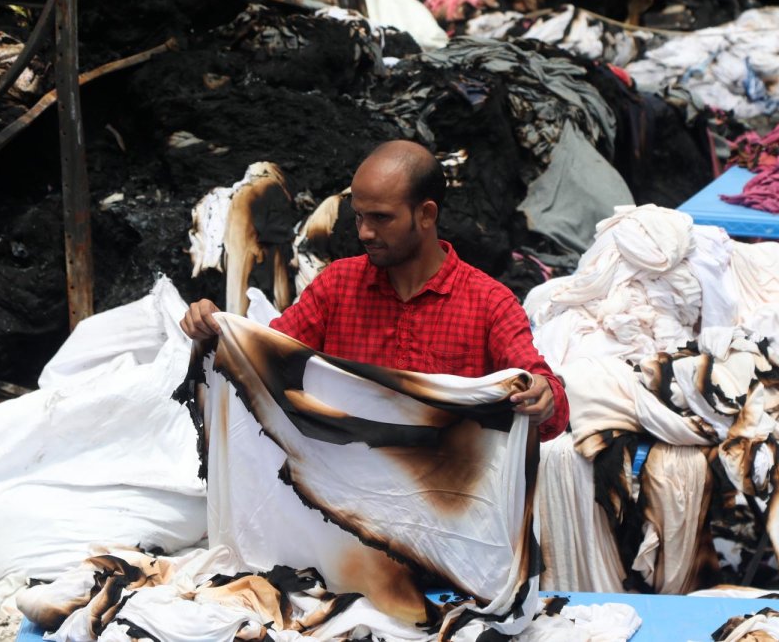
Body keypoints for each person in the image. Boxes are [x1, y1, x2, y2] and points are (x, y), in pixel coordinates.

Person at [181, 140, 568, 440]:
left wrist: (544, 397)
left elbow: (544, 396)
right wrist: (216, 328)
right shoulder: (338, 286)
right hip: (340, 506)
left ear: (426, 214)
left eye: (381, 218)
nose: (364, 232)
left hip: (443, 502)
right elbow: (266, 352)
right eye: (359, 216)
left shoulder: (488, 304)